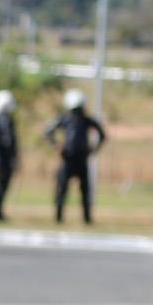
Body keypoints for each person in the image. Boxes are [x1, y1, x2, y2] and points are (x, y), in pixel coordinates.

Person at [52, 88, 104, 225]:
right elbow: (48, 132)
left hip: (82, 160)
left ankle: (87, 218)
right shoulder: (65, 119)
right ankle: (58, 218)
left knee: (85, 191)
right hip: (67, 159)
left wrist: (93, 149)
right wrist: (57, 146)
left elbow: (102, 134)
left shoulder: (86, 120)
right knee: (62, 189)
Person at [0, 88, 23, 221]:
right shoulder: (2, 121)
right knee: (0, 185)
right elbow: (8, 142)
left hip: (0, 158)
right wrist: (13, 157)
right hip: (2, 159)